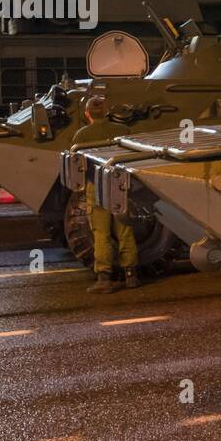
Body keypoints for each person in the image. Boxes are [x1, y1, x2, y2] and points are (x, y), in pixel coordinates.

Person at [77, 94, 139, 293]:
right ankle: (131, 274)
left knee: (101, 233)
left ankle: (104, 278)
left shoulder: (82, 135)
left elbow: (77, 164)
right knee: (125, 229)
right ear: (107, 112)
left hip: (96, 186)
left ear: (87, 114)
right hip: (120, 184)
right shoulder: (122, 130)